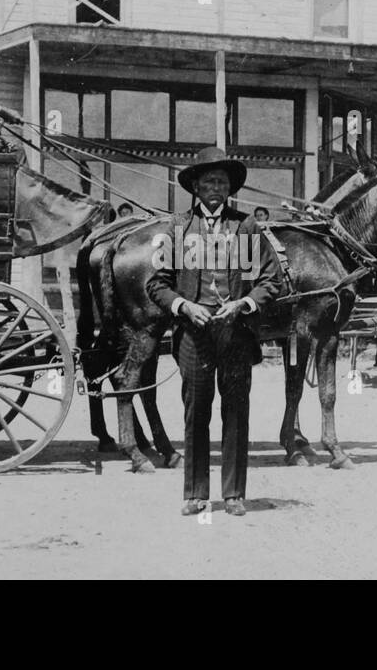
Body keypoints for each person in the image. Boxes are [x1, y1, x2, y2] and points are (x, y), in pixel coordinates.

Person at [147, 147, 282, 517]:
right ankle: (195, 493)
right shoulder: (177, 229)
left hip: (235, 334)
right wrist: (184, 305)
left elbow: (272, 281)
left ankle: (234, 494)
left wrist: (243, 304)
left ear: (229, 189)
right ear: (195, 186)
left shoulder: (246, 228)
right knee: (196, 413)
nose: (215, 188)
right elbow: (157, 285)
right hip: (194, 334)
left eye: (222, 182)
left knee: (236, 411)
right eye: (209, 181)